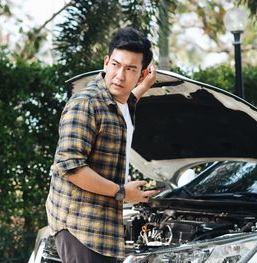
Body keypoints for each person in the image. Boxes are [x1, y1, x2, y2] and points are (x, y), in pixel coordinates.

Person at [45, 27, 158, 263]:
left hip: (101, 227)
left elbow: (127, 102)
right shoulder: (85, 104)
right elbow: (71, 168)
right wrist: (122, 192)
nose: (119, 75)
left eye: (130, 69)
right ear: (106, 62)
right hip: (80, 226)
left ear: (141, 73)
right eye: (116, 65)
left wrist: (144, 86)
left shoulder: (121, 103)